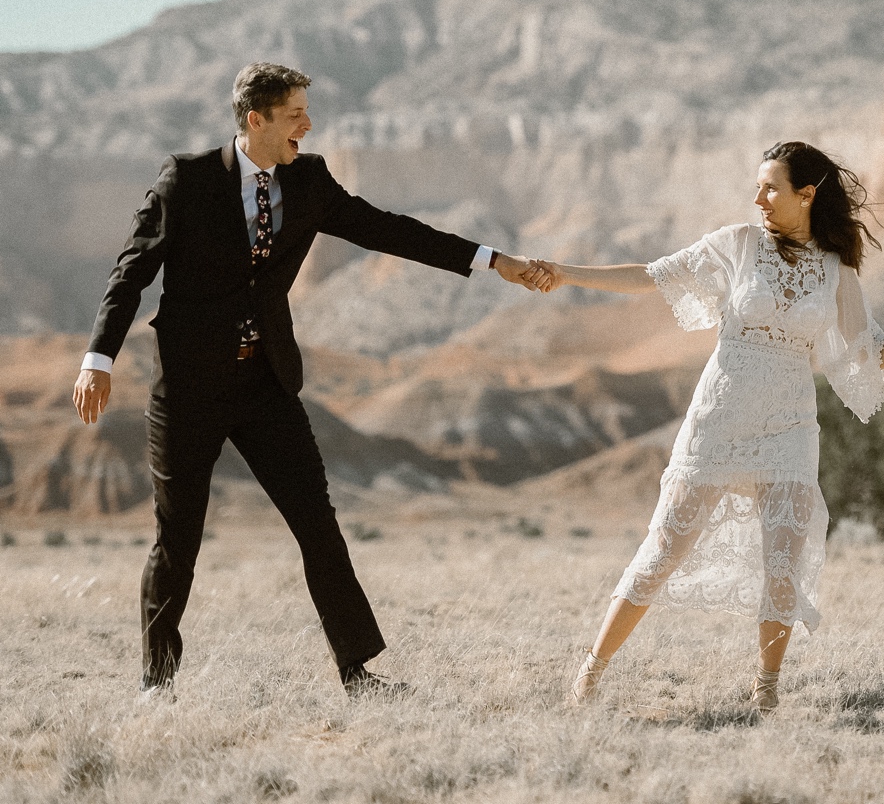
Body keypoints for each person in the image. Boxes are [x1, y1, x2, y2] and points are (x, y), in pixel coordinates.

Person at [72, 62, 541, 700]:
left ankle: (358, 675)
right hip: (188, 391)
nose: (309, 126)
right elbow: (132, 271)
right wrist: (98, 358)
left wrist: (490, 260)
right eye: (296, 114)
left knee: (317, 524)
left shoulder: (310, 179)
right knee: (177, 537)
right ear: (255, 119)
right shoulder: (188, 180)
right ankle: (158, 683)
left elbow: (387, 229)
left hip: (266, 384)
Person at [521, 141, 884, 712]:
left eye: (771, 187)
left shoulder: (835, 271)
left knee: (783, 565)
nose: (758, 199)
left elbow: (866, 355)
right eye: (758, 187)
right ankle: (591, 671)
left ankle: (767, 693)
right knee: (663, 550)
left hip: (791, 426)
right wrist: (565, 273)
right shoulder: (739, 245)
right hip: (720, 415)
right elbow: (653, 276)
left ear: (808, 195)